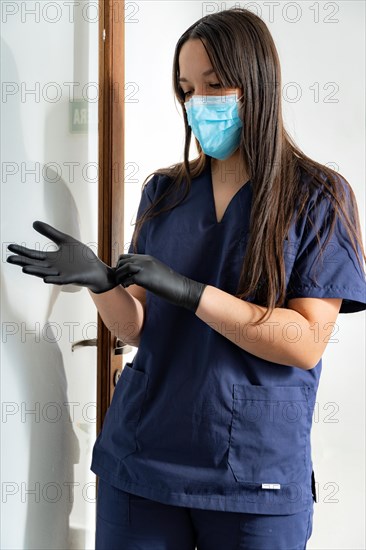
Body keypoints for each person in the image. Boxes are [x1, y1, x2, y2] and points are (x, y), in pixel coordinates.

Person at [7, 7, 366, 550]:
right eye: (186, 89)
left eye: (215, 85)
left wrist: (192, 293)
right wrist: (100, 282)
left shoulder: (317, 196)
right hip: (142, 463)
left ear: (258, 85)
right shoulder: (166, 193)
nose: (199, 103)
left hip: (253, 478)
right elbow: (137, 328)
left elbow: (305, 342)